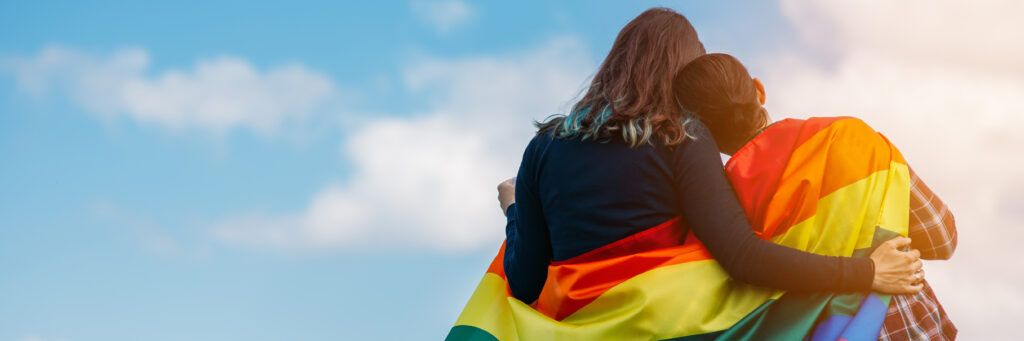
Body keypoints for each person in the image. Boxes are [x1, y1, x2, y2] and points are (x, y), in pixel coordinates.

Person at [447, 8, 923, 340]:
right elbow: (742, 258)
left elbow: (525, 283)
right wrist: (865, 272)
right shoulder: (680, 136)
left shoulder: (543, 148)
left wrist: (515, 209)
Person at [671, 52, 957, 340]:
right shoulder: (850, 136)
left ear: (705, 133)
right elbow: (943, 238)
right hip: (904, 328)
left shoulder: (721, 210)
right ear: (759, 90)